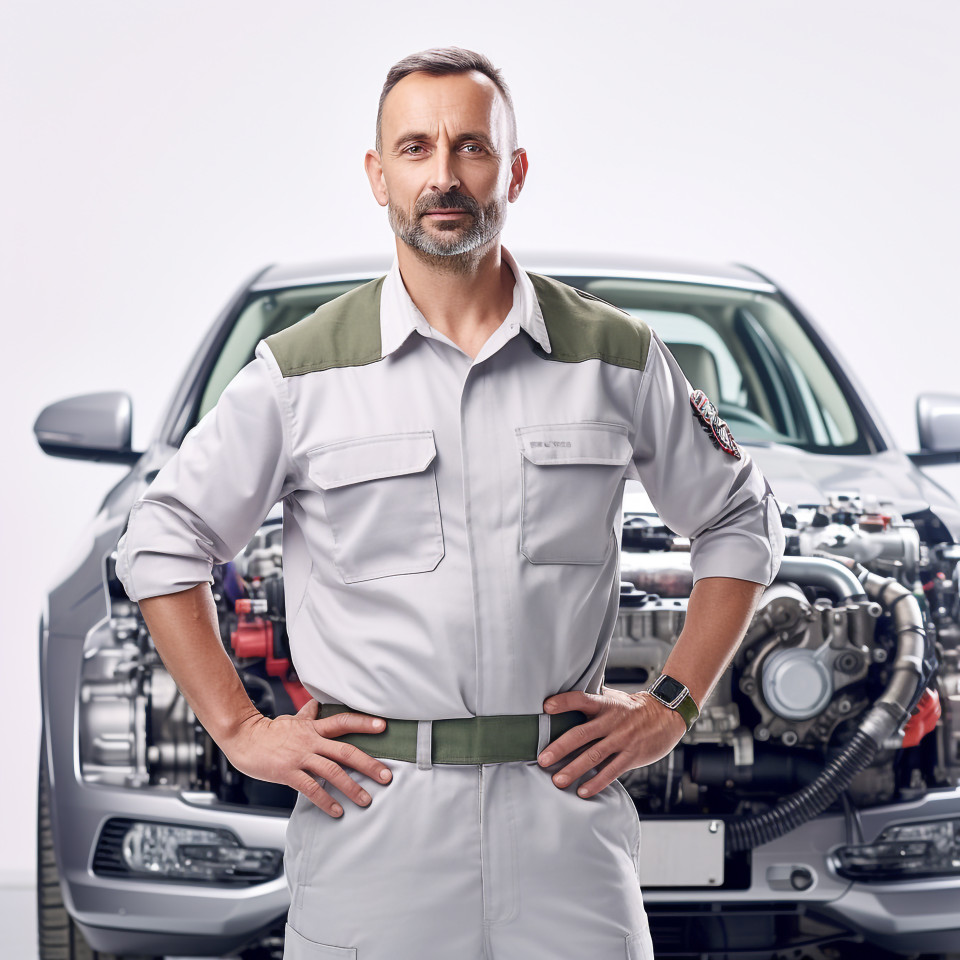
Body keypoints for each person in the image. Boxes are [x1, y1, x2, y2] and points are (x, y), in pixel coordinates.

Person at [116, 46, 785, 960]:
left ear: (512, 170)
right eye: (416, 148)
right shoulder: (303, 372)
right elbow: (161, 540)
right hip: (374, 824)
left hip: (565, 823)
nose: (443, 175)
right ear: (377, 174)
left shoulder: (614, 356)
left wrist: (671, 703)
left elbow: (739, 520)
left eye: (471, 147)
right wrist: (239, 730)